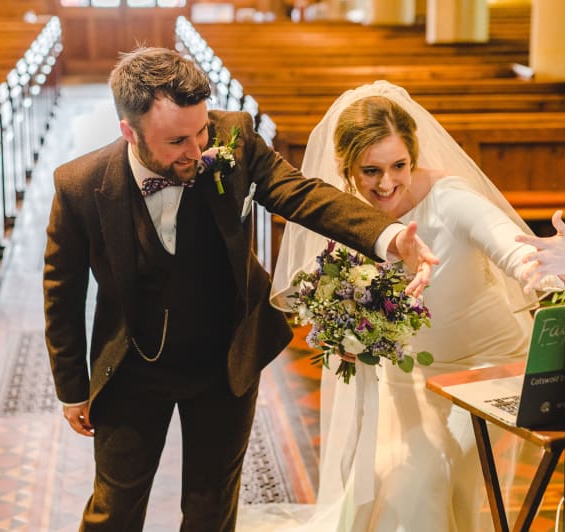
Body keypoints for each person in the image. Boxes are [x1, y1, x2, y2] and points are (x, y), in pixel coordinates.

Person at [42, 50, 438, 531]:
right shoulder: (80, 185)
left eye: (201, 132)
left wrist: (388, 236)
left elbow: (301, 194)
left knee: (212, 510)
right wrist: (71, 389)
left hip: (224, 359)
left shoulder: (235, 138)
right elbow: (61, 294)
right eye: (176, 140)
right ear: (130, 131)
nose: (196, 149)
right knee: (114, 510)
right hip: (132, 368)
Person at [242, 81, 565, 531]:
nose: (387, 182)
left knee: (444, 471)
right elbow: (330, 298)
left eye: (398, 165)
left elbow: (512, 250)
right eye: (370, 170)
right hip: (411, 374)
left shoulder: (452, 201)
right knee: (409, 478)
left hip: (490, 367)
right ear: (347, 167)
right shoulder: (345, 216)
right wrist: (344, 332)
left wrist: (549, 268)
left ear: (413, 156)